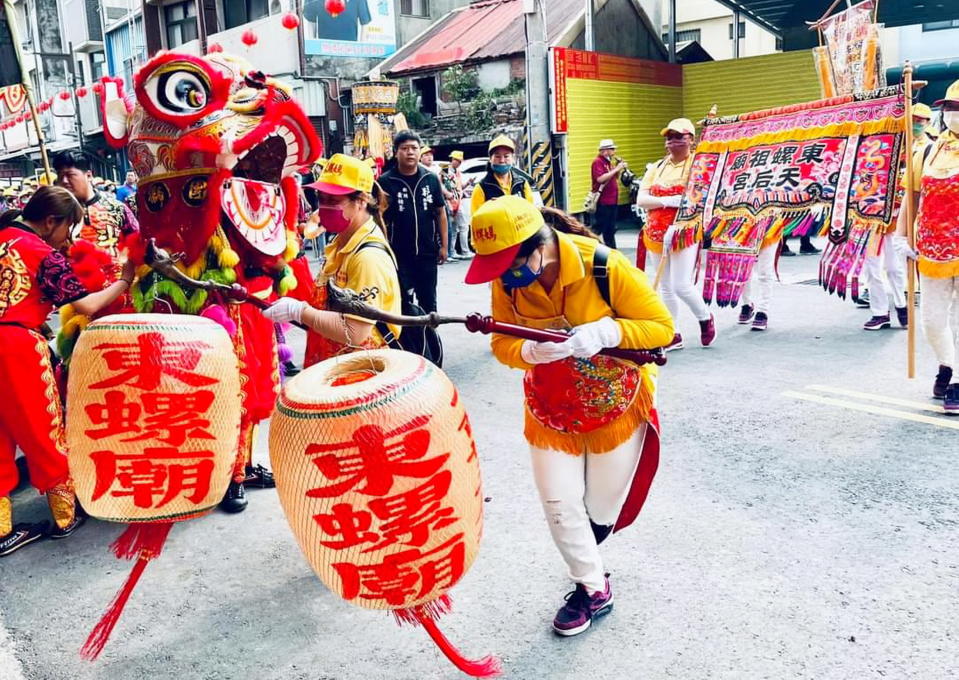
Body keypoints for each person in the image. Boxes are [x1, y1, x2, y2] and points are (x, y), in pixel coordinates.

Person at [464, 195, 673, 636]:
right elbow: (501, 342)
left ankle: (587, 556)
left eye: (511, 265)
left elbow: (661, 327)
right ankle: (592, 587)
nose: (505, 278)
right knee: (559, 504)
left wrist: (608, 330)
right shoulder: (506, 279)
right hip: (549, 409)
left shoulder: (603, 265)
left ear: (539, 245)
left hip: (614, 405)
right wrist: (527, 350)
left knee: (600, 510)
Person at [0, 186, 137, 555]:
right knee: (41, 427)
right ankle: (65, 516)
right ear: (50, 222)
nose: (69, 237)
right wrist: (125, 278)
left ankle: (2, 530)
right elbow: (89, 305)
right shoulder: (41, 253)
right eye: (68, 228)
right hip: (14, 347)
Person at [262, 154, 401, 364]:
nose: (324, 207)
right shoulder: (340, 243)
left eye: (334, 200)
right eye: (321, 199)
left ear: (361, 201)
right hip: (333, 367)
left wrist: (300, 312)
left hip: (359, 374)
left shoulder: (368, 258)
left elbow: (355, 332)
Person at [894, 81, 959, 411]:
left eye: (958, 109)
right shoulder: (929, 151)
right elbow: (912, 196)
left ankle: (957, 379)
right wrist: (903, 237)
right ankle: (948, 363)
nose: (952, 114)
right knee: (932, 320)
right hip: (931, 250)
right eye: (949, 108)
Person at [635, 118, 716, 350]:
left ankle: (704, 317)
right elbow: (641, 199)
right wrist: (667, 201)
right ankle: (673, 333)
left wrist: (674, 208)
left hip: (684, 231)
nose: (672, 141)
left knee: (681, 285)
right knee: (665, 286)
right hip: (655, 232)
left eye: (678, 136)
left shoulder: (698, 165)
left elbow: (697, 199)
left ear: (691, 139)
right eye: (669, 137)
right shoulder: (656, 168)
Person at [860, 104, 935, 330]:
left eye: (922, 120)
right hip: (874, 214)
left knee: (895, 266)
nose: (917, 124)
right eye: (914, 119)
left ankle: (902, 306)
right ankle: (880, 312)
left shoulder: (930, 149)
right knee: (871, 266)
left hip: (904, 216)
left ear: (928, 123)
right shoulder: (888, 143)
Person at [379, 130, 448, 313]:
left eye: (414, 148)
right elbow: (378, 218)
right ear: (396, 152)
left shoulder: (430, 179)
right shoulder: (385, 182)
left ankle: (429, 340)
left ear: (420, 152)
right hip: (398, 256)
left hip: (427, 253)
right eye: (404, 148)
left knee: (429, 304)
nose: (410, 152)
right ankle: (408, 341)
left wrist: (444, 246)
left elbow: (440, 213)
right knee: (402, 304)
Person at [52, 151, 138, 276]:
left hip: (118, 286)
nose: (64, 181)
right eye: (60, 176)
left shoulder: (116, 208)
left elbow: (137, 242)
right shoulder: (55, 215)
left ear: (88, 175)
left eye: (70, 175)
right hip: (77, 290)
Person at [470, 135, 535, 215]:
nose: (502, 160)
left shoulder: (522, 184)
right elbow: (476, 220)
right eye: (497, 156)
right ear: (490, 159)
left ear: (513, 158)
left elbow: (531, 212)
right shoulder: (481, 188)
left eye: (506, 156)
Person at [590, 139, 626, 249]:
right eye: (612, 149)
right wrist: (616, 169)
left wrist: (618, 168)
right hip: (603, 201)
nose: (614, 151)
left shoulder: (608, 162)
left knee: (610, 227)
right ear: (604, 151)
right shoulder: (598, 162)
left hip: (612, 200)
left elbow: (614, 177)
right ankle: (602, 248)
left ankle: (611, 249)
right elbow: (600, 179)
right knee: (604, 227)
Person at [445, 150, 473, 259]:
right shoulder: (445, 172)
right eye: (456, 160)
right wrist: (449, 204)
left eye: (459, 161)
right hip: (452, 203)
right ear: (452, 160)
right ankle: (464, 251)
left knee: (455, 229)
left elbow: (459, 188)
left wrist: (468, 183)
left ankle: (453, 251)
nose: (458, 162)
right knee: (462, 227)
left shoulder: (457, 173)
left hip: (458, 202)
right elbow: (445, 189)